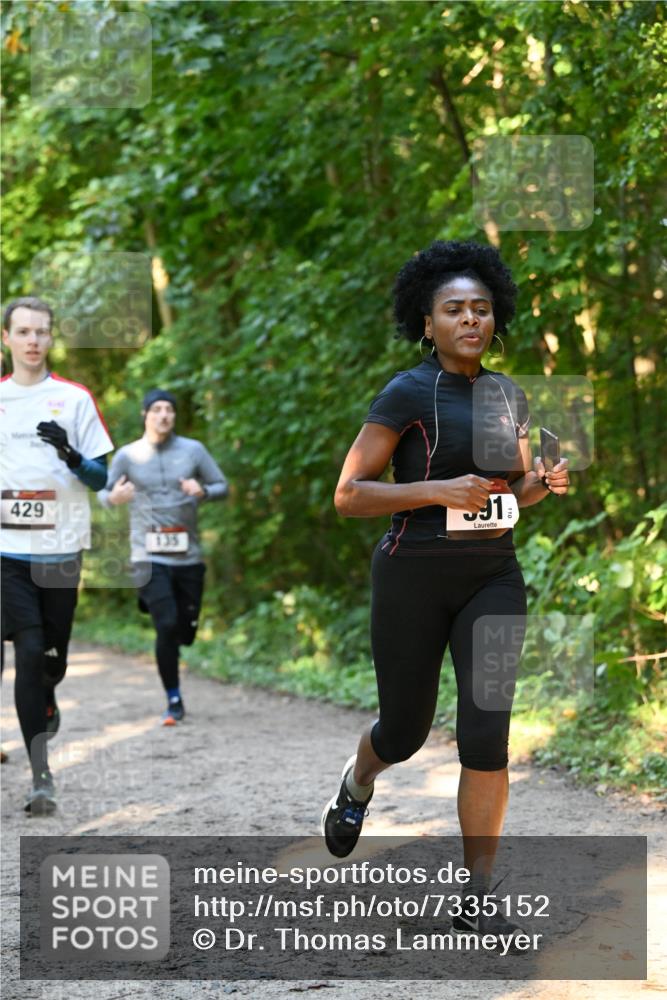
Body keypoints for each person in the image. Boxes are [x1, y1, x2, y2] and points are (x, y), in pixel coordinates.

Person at [321, 240, 570, 942]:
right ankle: (357, 782)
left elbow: (508, 495)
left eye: (481, 309)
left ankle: (477, 894)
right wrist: (436, 490)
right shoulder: (406, 392)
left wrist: (540, 483)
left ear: (496, 318)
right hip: (412, 575)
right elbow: (349, 494)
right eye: (454, 309)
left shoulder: (508, 395)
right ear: (426, 323)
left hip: (492, 577)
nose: (470, 320)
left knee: (486, 735)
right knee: (403, 731)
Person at [1, 296, 113, 814]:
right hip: (8, 552)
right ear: (6, 338)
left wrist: (70, 454)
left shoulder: (74, 399)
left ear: (51, 337)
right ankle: (41, 777)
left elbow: (101, 478)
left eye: (41, 332)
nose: (32, 340)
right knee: (27, 651)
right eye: (23, 331)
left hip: (61, 549)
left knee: (51, 661)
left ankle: (47, 692)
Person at [98, 389, 228, 724]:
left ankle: (160, 605)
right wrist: (115, 497)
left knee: (185, 632)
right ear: (145, 415)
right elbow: (103, 494)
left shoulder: (193, 450)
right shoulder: (128, 455)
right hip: (146, 555)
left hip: (188, 556)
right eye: (156, 409)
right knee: (166, 625)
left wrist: (203, 491)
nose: (163, 415)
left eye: (169, 409)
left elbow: (222, 486)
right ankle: (173, 699)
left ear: (174, 416)